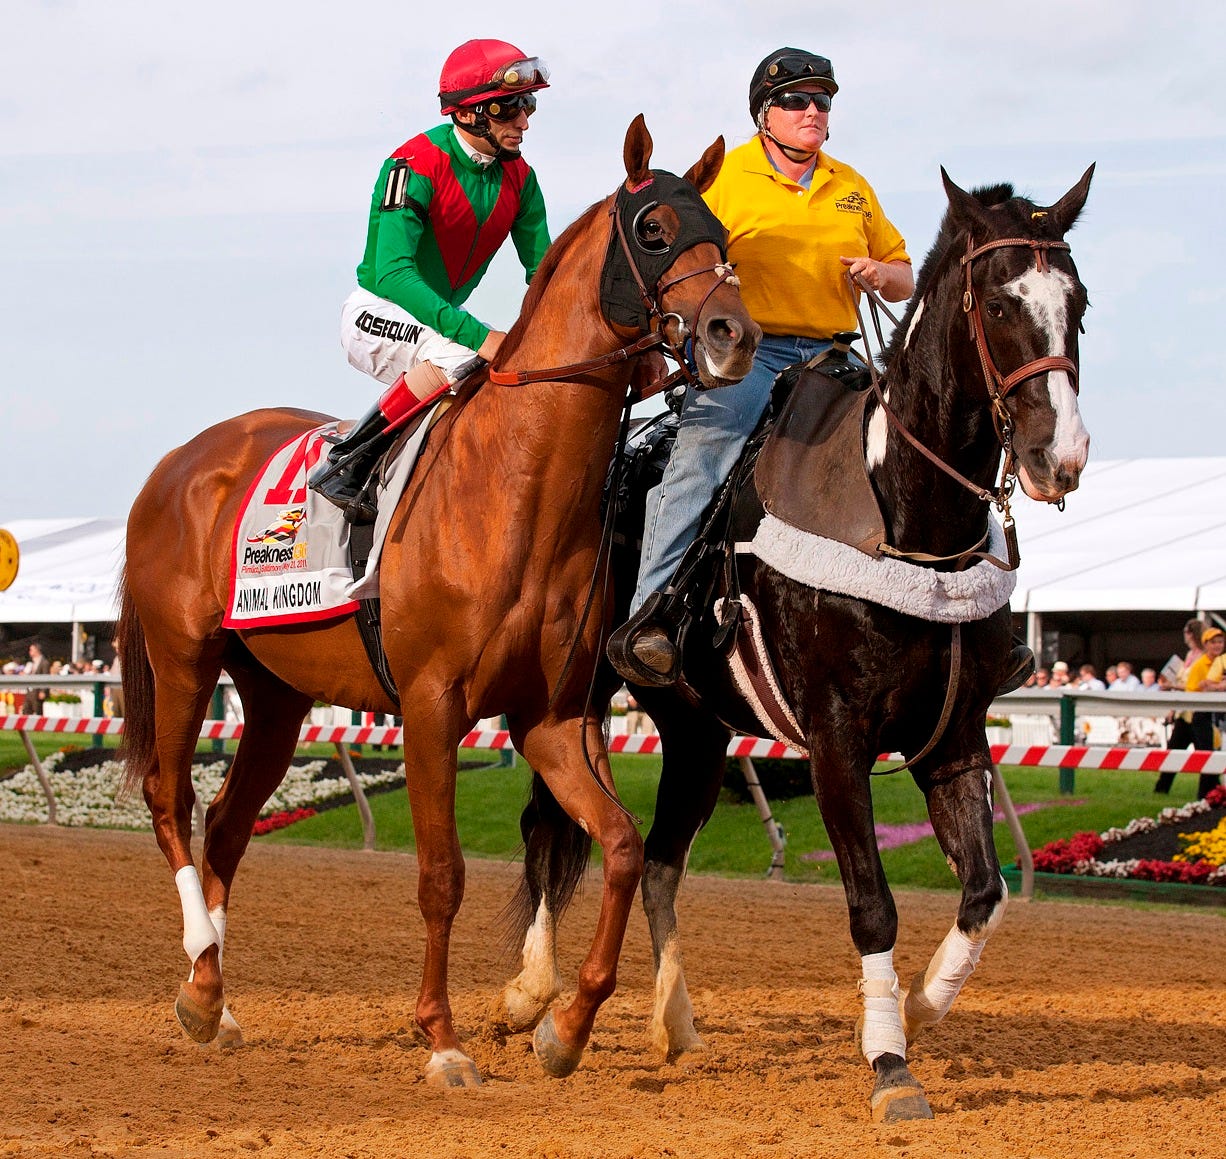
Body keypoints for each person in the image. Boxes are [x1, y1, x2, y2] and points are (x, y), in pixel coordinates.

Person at [608, 47, 914, 686]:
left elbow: (904, 276)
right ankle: (647, 618)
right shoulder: (724, 176)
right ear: (764, 114)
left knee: (915, 442)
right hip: (752, 351)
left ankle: (953, 608)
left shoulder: (852, 186)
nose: (813, 112)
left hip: (834, 353)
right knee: (699, 461)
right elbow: (678, 254)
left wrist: (880, 273)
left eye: (823, 102)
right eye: (798, 101)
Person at [310, 39, 552, 521]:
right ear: (467, 114)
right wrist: (479, 335)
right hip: (376, 311)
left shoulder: (521, 178)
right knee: (463, 353)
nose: (523, 121)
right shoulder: (414, 163)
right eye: (509, 108)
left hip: (435, 321)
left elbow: (545, 273)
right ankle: (348, 463)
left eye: (527, 105)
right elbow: (392, 274)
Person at [21, 642, 50, 715]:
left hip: (38, 692)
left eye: (31, 650)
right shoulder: (31, 663)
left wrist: (43, 691)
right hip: (30, 691)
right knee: (26, 710)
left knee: (38, 711)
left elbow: (45, 677)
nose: (29, 652)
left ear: (37, 650)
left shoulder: (44, 662)